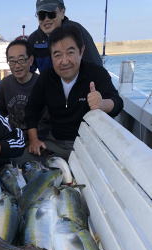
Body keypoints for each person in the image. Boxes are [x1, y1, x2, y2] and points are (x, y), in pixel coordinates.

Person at [25, 25, 123, 160]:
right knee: (17, 158)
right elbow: (31, 110)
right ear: (51, 57)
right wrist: (34, 140)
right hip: (54, 143)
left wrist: (102, 104)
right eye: (57, 55)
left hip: (88, 145)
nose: (64, 61)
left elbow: (118, 103)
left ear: (81, 51)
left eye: (70, 52)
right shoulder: (46, 78)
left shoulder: (96, 73)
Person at [28, 0, 102, 73]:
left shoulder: (77, 32)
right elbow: (27, 72)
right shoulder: (33, 40)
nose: (46, 19)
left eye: (51, 14)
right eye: (41, 15)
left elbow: (96, 68)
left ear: (62, 13)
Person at [0, 39, 39, 132]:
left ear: (30, 60)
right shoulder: (5, 84)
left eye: (21, 60)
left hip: (39, 137)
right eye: (12, 61)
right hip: (14, 136)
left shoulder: (41, 83)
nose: (17, 66)